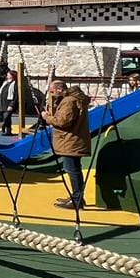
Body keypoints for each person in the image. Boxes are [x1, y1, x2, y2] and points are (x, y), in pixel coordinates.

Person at [45, 78, 92, 210]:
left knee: (72, 170)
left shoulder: (69, 101)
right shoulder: (74, 99)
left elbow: (62, 122)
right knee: (74, 169)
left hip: (70, 141)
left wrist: (47, 117)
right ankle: (76, 196)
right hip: (73, 140)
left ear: (60, 90)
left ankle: (77, 199)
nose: (51, 94)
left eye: (52, 91)